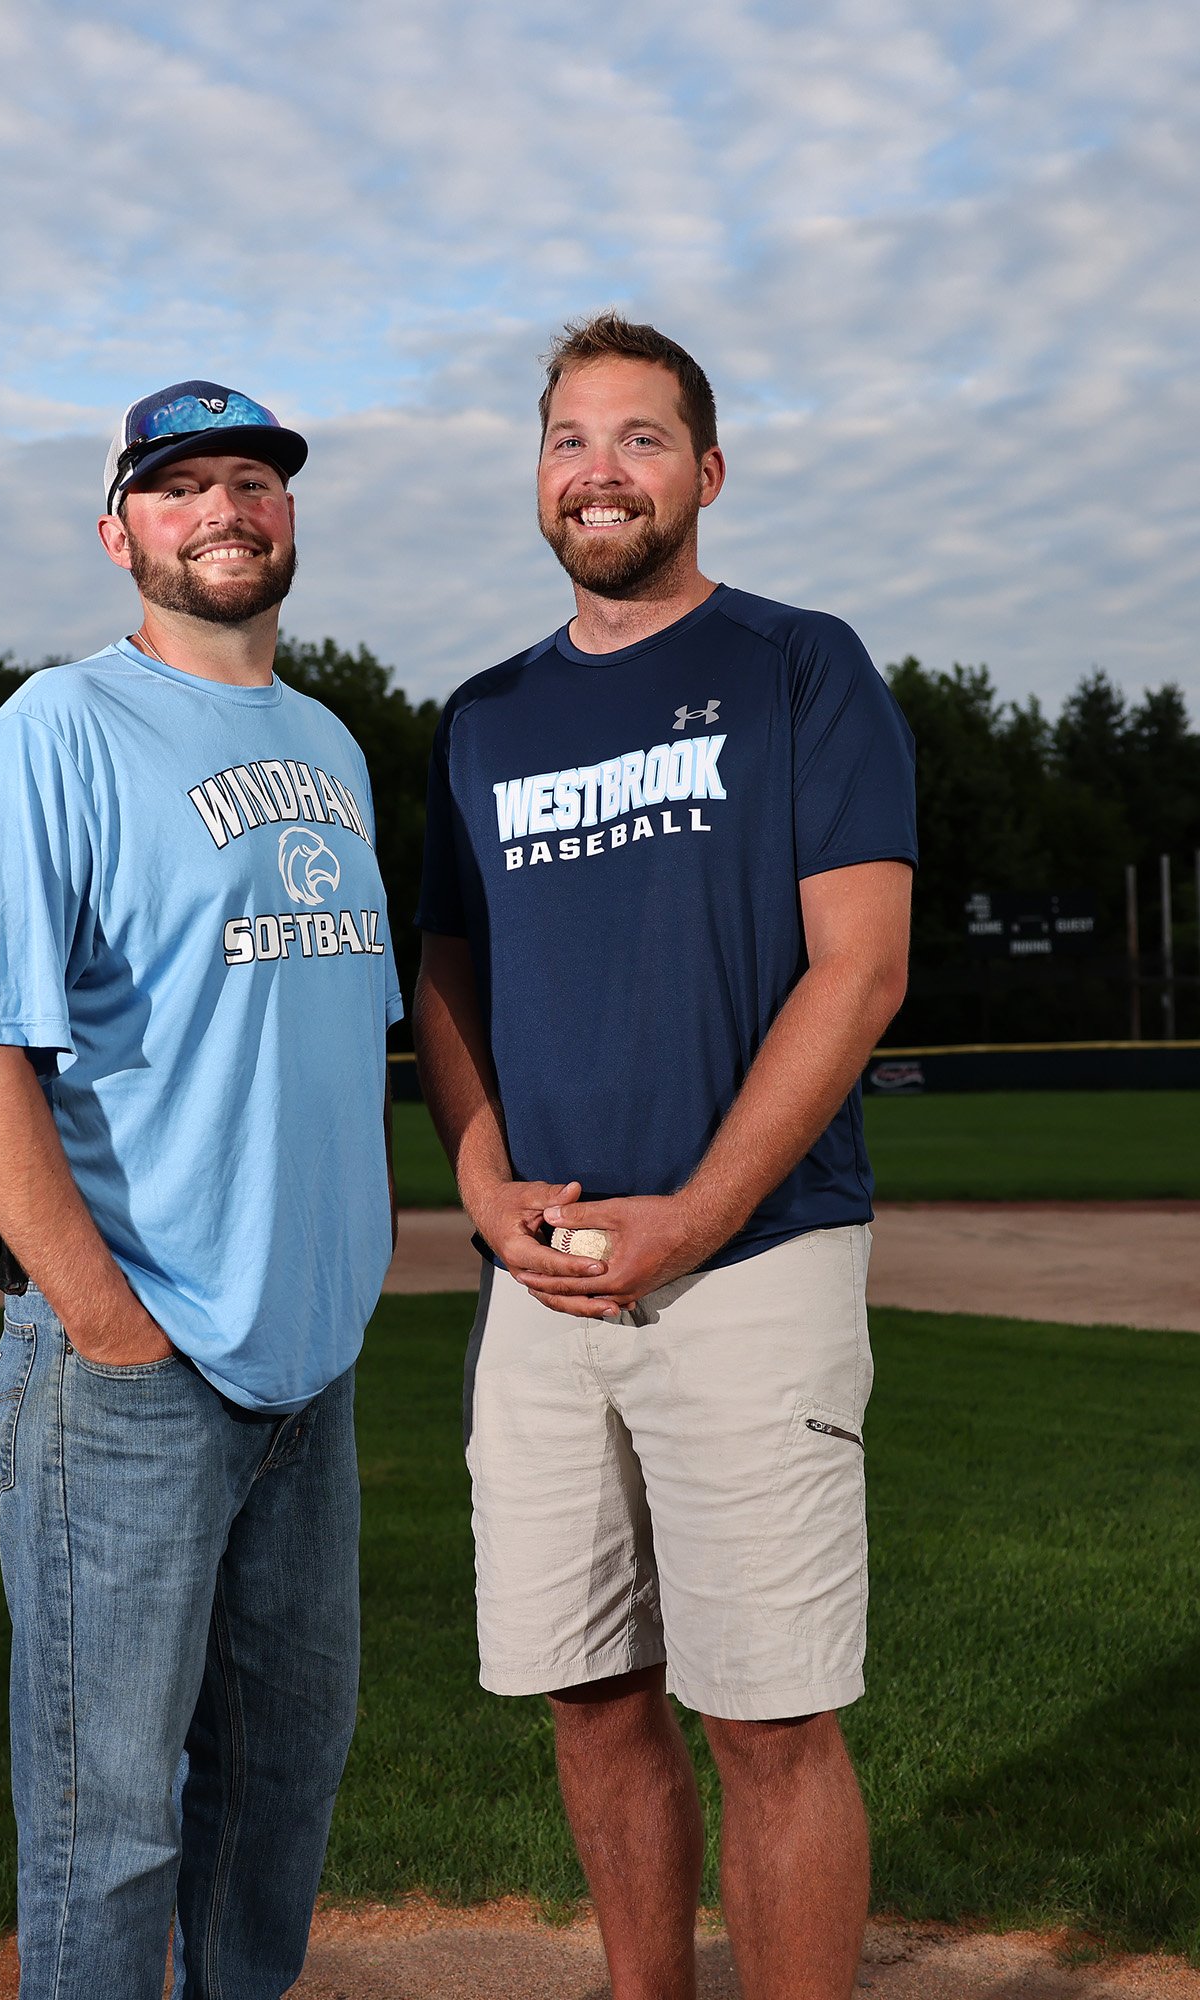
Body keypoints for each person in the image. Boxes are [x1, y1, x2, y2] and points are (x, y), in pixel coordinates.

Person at [410, 315, 917, 2000]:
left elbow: (864, 963)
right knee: (590, 1688)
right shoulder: (482, 718)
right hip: (542, 1283)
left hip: (753, 1260)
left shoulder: (800, 667)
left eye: (639, 439)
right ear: (536, 476)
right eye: (569, 438)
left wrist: (697, 1215)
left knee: (768, 1713)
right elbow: (448, 975)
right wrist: (481, 1187)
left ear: (706, 472)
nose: (600, 470)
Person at [0, 380, 402, 1999]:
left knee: (277, 1794)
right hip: (133, 1374)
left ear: (289, 517)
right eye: (180, 486)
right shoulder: (58, 727)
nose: (224, 512)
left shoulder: (330, 744)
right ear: (120, 529)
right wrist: (105, 1322)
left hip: (306, 1379)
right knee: (105, 1825)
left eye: (252, 480)